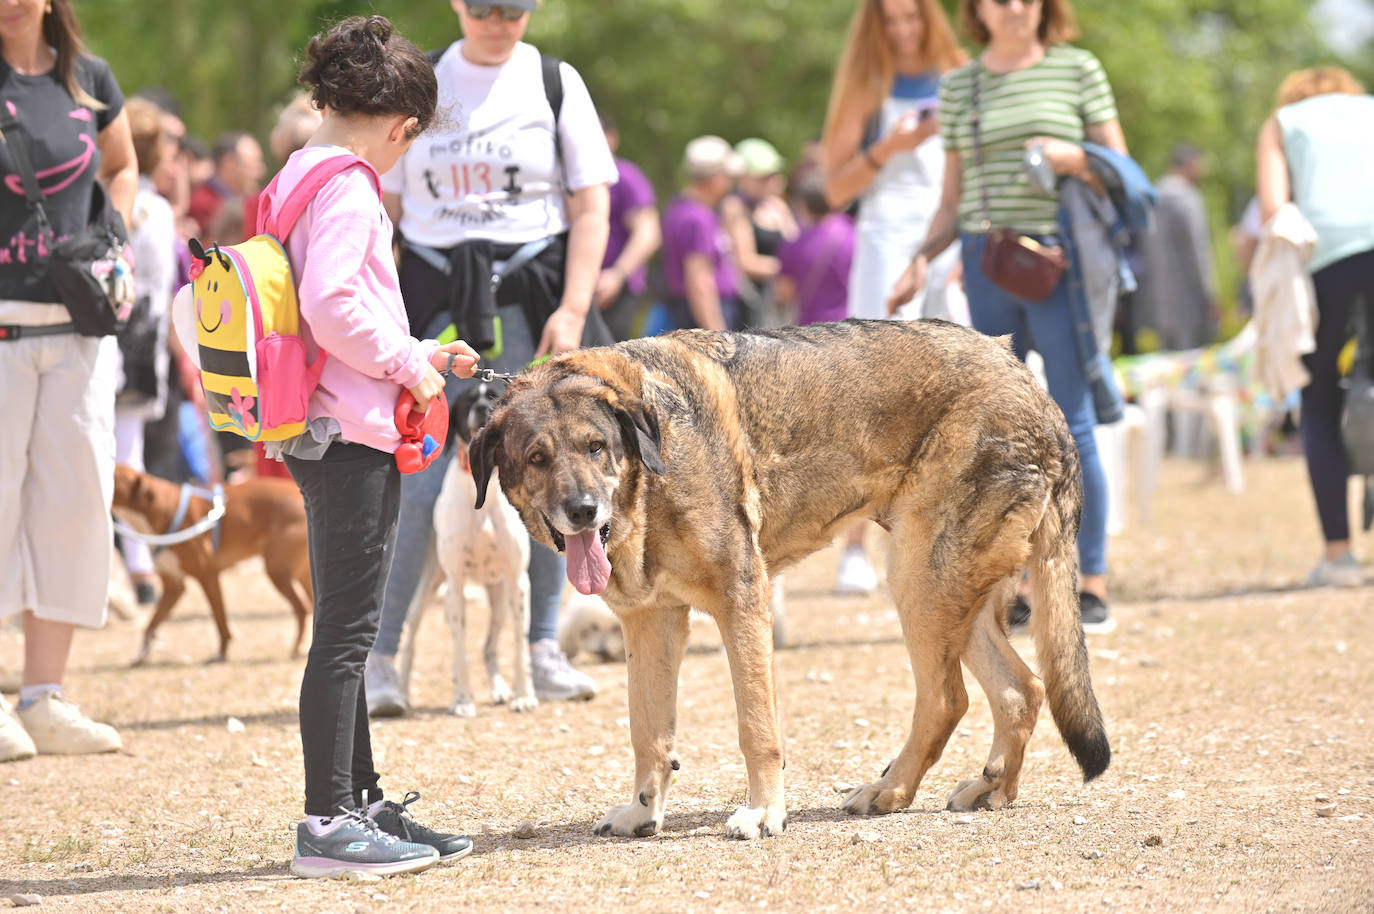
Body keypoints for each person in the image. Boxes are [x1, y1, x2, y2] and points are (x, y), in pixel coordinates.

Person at [233, 15, 482, 876]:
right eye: (409, 140)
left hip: (319, 419)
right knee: (345, 634)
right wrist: (413, 366)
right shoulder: (350, 186)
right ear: (399, 123)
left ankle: (360, 800)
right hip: (349, 432)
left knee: (351, 622)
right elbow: (336, 306)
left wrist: (418, 353)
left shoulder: (299, 172)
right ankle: (327, 825)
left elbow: (331, 302)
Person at [367, 0, 617, 716]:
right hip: (435, 300)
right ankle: (384, 658)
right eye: (483, 4)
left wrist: (572, 309)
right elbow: (380, 207)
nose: (498, 18)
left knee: (548, 468)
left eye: (514, 6)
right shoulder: (421, 81)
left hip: (531, 302)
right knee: (417, 480)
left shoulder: (554, 80)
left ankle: (541, 648)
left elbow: (592, 204)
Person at [887, 0, 1130, 634]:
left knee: (1071, 421)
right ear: (977, 11)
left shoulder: (1077, 69)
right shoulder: (961, 83)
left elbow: (1121, 173)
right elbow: (952, 196)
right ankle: (1015, 579)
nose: (1015, 7)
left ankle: (1089, 580)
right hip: (987, 258)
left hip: (1061, 262)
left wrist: (1077, 158)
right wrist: (920, 258)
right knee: (999, 434)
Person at [0, 0, 137, 763]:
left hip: (81, 329)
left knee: (75, 506)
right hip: (3, 325)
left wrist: (112, 233)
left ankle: (43, 696)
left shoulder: (89, 79)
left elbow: (121, 166)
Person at [820, 0, 967, 595]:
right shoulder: (866, 84)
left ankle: (948, 534)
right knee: (873, 391)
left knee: (954, 387)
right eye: (891, 19)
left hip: (947, 235)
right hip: (884, 238)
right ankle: (856, 542)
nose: (904, 30)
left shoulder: (960, 71)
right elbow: (835, 188)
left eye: (913, 18)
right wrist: (894, 146)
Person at [1255, 66, 1374, 588]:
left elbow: (1273, 208)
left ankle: (1339, 556)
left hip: (1326, 258)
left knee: (1320, 396)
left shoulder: (1283, 121)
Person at [113, 96, 180, 606]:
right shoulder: (158, 212)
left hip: (98, 339)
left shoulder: (104, 203)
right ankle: (138, 567)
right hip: (143, 347)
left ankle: (114, 564)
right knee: (129, 455)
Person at [660, 135, 744, 331]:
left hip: (692, 311)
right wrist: (718, 335)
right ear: (715, 179)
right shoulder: (697, 218)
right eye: (728, 176)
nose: (732, 183)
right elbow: (699, 281)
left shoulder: (681, 207)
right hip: (702, 315)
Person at [1139, 143, 1217, 351]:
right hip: (1189, 301)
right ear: (1190, 164)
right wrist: (1210, 295)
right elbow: (1198, 251)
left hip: (1156, 300)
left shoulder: (1151, 199)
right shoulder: (1188, 199)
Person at [595, 112, 660, 342]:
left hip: (616, 290)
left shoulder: (625, 177)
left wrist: (617, 274)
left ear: (612, 138)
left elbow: (648, 232)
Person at [720, 137, 798, 328]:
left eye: (771, 175)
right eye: (762, 176)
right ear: (742, 176)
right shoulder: (735, 207)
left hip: (782, 300)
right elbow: (746, 262)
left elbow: (797, 244)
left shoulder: (777, 205)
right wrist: (788, 269)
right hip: (753, 303)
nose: (768, 181)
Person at [776, 168, 855, 327]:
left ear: (803, 203)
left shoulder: (794, 244)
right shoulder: (854, 234)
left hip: (810, 330)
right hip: (850, 325)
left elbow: (784, 293)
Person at [187, 129, 265, 242]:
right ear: (229, 162)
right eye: (253, 165)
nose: (260, 172)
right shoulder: (202, 204)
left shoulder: (244, 200)